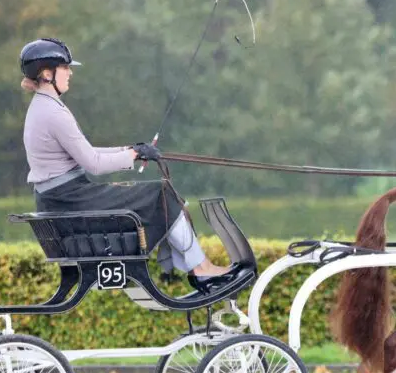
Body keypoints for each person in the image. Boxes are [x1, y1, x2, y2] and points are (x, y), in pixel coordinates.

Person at [19, 37, 246, 292]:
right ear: (47, 73)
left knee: (159, 193)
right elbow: (93, 163)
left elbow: (87, 153)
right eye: (66, 68)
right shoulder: (53, 113)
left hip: (66, 198)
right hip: (71, 200)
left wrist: (132, 151)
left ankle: (198, 267)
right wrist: (133, 155)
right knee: (160, 192)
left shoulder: (44, 108)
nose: (70, 73)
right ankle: (201, 269)